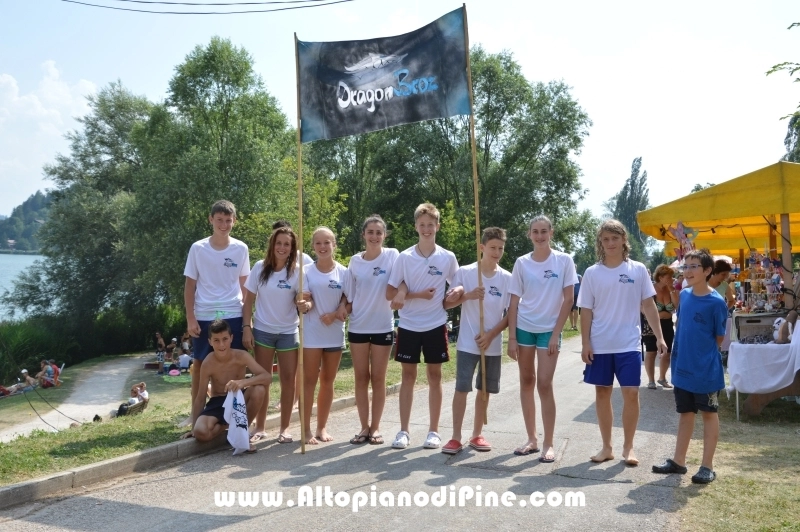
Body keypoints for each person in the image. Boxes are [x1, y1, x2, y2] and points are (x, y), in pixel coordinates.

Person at [578, 219, 667, 466]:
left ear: (623, 240)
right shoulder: (592, 273)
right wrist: (585, 343)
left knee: (631, 392)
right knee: (602, 392)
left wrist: (659, 337)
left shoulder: (638, 269)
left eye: (614, 238)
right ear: (600, 242)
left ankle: (629, 447)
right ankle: (607, 447)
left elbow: (648, 304)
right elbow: (586, 310)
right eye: (605, 239)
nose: (610, 243)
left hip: (628, 343)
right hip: (600, 344)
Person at [386, 203, 459, 450]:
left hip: (436, 324)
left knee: (435, 377)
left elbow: (457, 285)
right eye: (422, 224)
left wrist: (457, 293)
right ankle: (403, 431)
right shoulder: (404, 257)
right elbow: (390, 292)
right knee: (408, 377)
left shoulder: (447, 257)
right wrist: (408, 293)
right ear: (415, 226)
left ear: (438, 226)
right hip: (408, 325)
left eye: (431, 224)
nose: (426, 229)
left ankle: (434, 431)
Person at [653, 249, 727, 484]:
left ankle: (707, 466)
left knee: (709, 413)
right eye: (686, 266)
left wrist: (701, 355)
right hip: (682, 368)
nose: (688, 271)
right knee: (685, 413)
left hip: (706, 371)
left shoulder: (717, 302)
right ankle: (679, 461)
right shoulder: (683, 296)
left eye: (694, 266)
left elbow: (718, 338)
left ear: (707, 271)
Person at [507, 215, 578, 462]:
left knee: (544, 384)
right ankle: (532, 439)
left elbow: (569, 299)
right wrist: (512, 337)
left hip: (550, 330)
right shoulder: (521, 263)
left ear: (551, 233)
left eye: (543, 231)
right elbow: (513, 301)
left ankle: (549, 443)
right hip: (524, 328)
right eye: (535, 232)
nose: (539, 236)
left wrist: (556, 333)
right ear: (529, 234)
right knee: (527, 381)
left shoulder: (564, 260)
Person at [441, 227, 511, 454]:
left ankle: (477, 434)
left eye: (500, 248)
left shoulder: (507, 278)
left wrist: (491, 335)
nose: (497, 253)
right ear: (482, 247)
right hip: (467, 342)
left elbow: (511, 314)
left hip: (492, 343)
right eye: (492, 248)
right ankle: (455, 437)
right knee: (462, 387)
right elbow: (447, 303)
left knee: (484, 389)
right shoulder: (466, 272)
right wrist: (468, 295)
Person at [184, 200, 250, 419]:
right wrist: (190, 318)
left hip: (233, 313)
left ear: (234, 221)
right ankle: (196, 416)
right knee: (200, 365)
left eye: (228, 220)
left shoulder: (241, 248)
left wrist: (248, 322)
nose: (223, 225)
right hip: (204, 315)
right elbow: (190, 286)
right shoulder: (198, 248)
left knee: (237, 365)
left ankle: (235, 416)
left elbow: (245, 287)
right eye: (219, 220)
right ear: (210, 219)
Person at [242, 226, 307, 444]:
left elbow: (303, 299)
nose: (282, 247)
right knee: (264, 379)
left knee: (288, 380)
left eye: (287, 244)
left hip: (288, 332)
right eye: (279, 243)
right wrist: (247, 327)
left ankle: (285, 428)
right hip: (263, 331)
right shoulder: (259, 267)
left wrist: (303, 303)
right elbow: (248, 301)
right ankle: (260, 426)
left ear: (292, 248)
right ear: (272, 244)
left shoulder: (297, 272)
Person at [346, 215, 400, 445]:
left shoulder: (393, 255)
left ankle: (375, 427)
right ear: (363, 235)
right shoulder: (354, 261)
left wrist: (403, 294)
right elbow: (349, 296)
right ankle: (363, 428)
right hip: (358, 326)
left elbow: (402, 280)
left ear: (384, 235)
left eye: (379, 232)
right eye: (370, 232)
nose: (374, 236)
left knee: (378, 378)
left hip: (382, 326)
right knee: (361, 378)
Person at [298, 226, 350, 445]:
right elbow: (305, 299)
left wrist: (339, 311)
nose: (322, 246)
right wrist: (305, 305)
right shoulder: (305, 271)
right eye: (318, 243)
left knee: (328, 381)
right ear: (313, 246)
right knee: (309, 381)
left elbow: (349, 300)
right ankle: (305, 430)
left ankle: (321, 427)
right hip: (312, 335)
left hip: (334, 334)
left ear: (334, 245)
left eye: (327, 242)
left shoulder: (344, 272)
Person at [185, 319, 270, 452]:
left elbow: (267, 377)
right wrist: (194, 427)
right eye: (216, 340)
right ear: (210, 342)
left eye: (225, 339)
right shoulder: (208, 362)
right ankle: (229, 426)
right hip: (218, 402)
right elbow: (200, 397)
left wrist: (243, 382)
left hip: (238, 399)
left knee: (259, 389)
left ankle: (242, 433)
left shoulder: (241, 355)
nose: (221, 344)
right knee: (201, 432)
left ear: (231, 338)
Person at [644, 265, 679, 390]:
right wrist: (654, 316)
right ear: (660, 277)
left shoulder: (672, 289)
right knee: (651, 352)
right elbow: (642, 307)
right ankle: (651, 380)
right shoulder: (650, 289)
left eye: (672, 277)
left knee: (667, 353)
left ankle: (662, 378)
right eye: (669, 277)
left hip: (667, 324)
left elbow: (677, 306)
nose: (672, 279)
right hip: (651, 325)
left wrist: (671, 290)